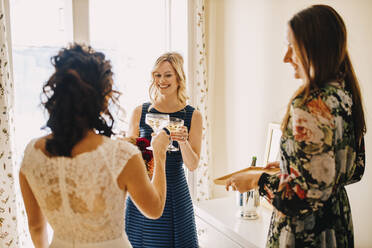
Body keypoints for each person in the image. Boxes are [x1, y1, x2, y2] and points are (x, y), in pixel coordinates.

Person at [226, 4, 366, 248]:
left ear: (314, 47)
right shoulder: (345, 96)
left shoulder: (309, 104)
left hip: (305, 235)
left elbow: (298, 200)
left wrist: (256, 181)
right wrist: (288, 168)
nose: (286, 56)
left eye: (292, 45)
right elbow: (353, 170)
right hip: (336, 227)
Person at [19, 44, 170, 248]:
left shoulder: (32, 152)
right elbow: (155, 209)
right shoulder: (121, 155)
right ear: (104, 97)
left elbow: (36, 226)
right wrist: (159, 154)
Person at [125, 52, 202, 247]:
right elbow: (127, 159)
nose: (162, 80)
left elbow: (192, 165)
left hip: (175, 193)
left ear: (178, 77)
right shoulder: (139, 112)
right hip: (143, 191)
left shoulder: (193, 115)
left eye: (168, 75)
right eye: (157, 75)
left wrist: (183, 141)